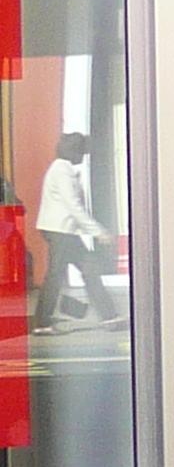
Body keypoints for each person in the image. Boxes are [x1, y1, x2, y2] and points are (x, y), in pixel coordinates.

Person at [33, 131, 118, 329]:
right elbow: (73, 205)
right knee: (57, 275)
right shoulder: (62, 170)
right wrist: (98, 231)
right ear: (75, 151)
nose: (84, 155)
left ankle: (109, 316)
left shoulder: (62, 168)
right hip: (61, 230)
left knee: (89, 269)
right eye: (82, 151)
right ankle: (42, 322)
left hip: (64, 230)